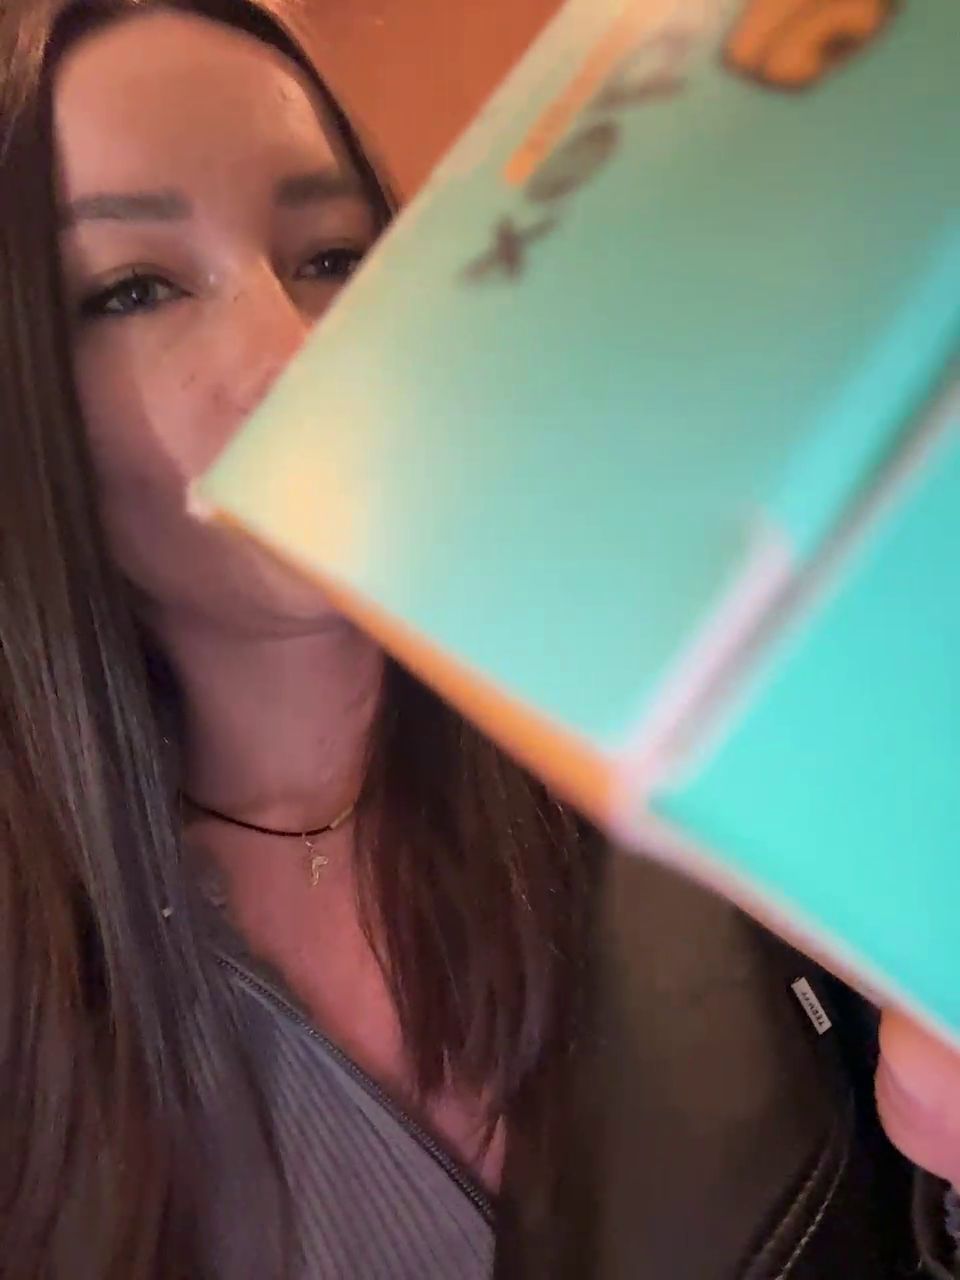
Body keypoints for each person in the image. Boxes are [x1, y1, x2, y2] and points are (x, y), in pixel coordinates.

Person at [0, 1, 957, 1276]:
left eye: (333, 256)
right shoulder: (40, 996)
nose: (299, 353)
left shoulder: (695, 717)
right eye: (133, 288)